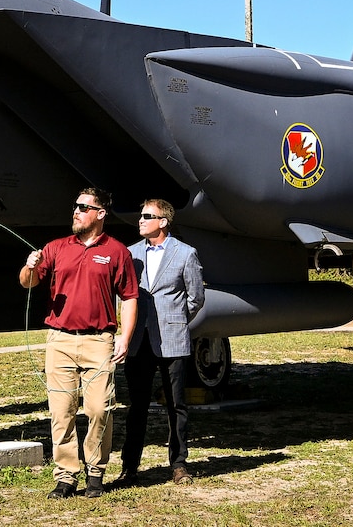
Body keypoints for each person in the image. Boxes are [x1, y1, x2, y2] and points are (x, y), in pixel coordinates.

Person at [19, 187, 138, 499]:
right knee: (62, 412)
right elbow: (28, 282)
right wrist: (30, 266)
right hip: (59, 341)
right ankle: (66, 476)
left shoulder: (117, 252)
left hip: (99, 341)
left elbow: (129, 297)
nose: (76, 211)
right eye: (75, 206)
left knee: (99, 408)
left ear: (100, 214)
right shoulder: (56, 247)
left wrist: (125, 336)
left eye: (84, 207)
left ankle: (96, 471)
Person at [115, 198, 205, 488]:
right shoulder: (131, 254)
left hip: (172, 339)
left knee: (176, 405)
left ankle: (179, 464)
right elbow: (123, 294)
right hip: (139, 340)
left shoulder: (186, 253)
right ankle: (130, 467)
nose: (139, 220)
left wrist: (176, 320)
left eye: (146, 216)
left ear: (163, 221)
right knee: (136, 406)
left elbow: (196, 298)